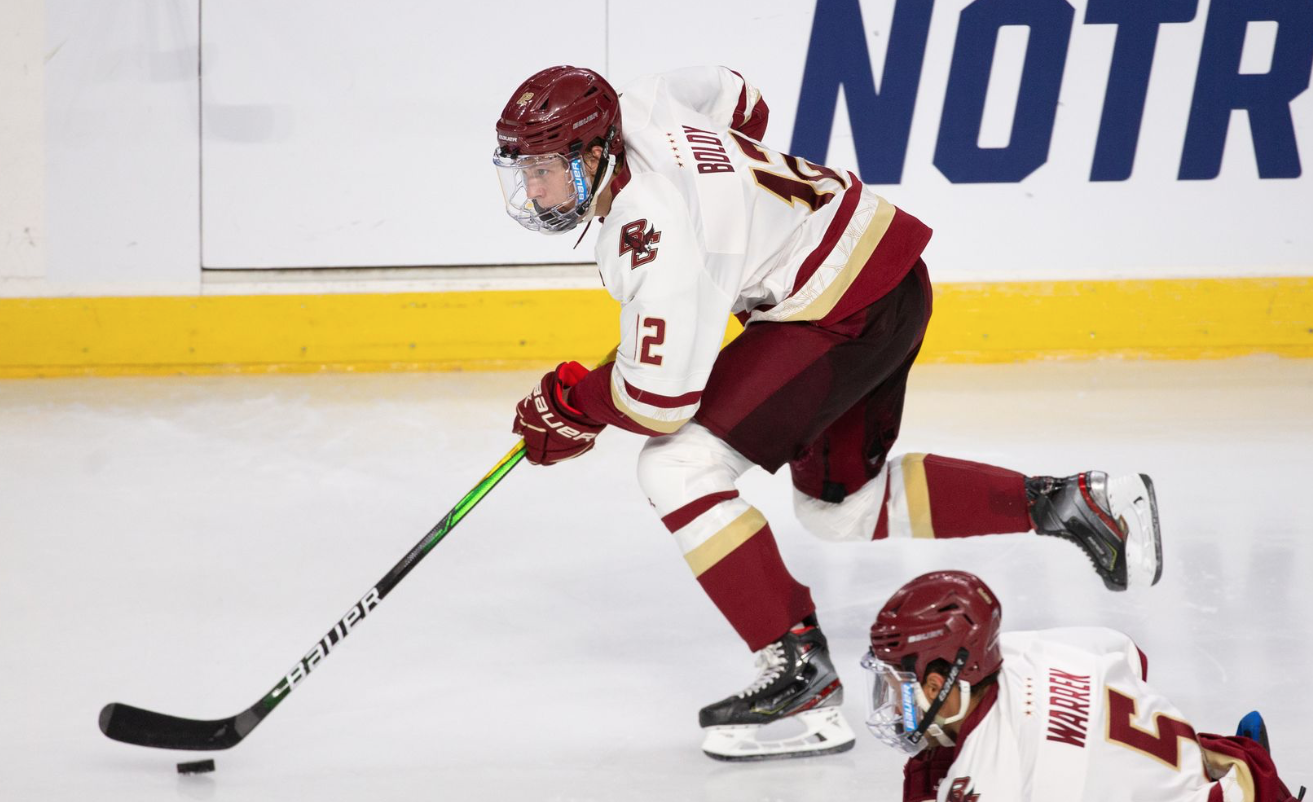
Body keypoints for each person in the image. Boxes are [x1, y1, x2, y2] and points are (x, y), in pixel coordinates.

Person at [491, 65, 1164, 761]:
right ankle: (1073, 505)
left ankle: (797, 673)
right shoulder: (647, 104)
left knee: (678, 465)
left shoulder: (652, 234)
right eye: (524, 170)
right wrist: (732, 211)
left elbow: (661, 403)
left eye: (547, 169)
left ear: (598, 153)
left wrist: (574, 403)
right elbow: (740, 96)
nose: (534, 189)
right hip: (884, 275)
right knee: (840, 507)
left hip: (841, 311)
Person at [863, 570, 1304, 801]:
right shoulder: (1016, 650)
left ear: (941, 682)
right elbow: (1130, 655)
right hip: (1234, 775)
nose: (892, 704)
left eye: (894, 683)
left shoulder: (988, 779)